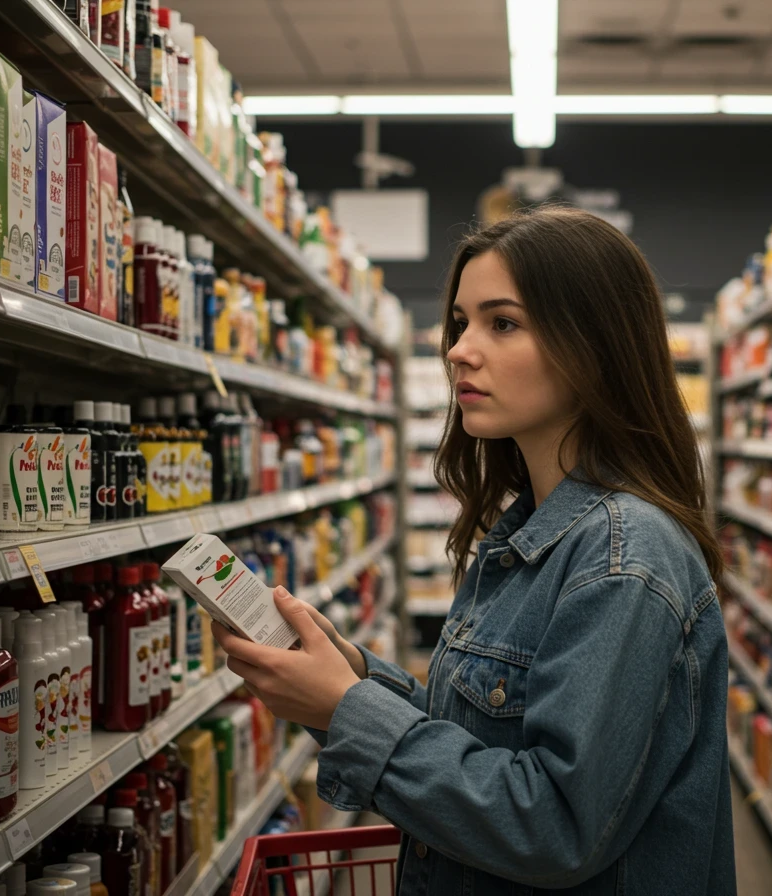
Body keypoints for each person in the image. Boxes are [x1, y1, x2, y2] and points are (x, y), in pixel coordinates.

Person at [213, 206, 735, 894]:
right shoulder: (533, 530)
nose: (458, 347)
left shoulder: (622, 558)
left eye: (503, 322)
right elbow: (489, 738)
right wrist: (353, 679)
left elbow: (554, 824)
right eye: (460, 322)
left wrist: (346, 712)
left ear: (594, 346)